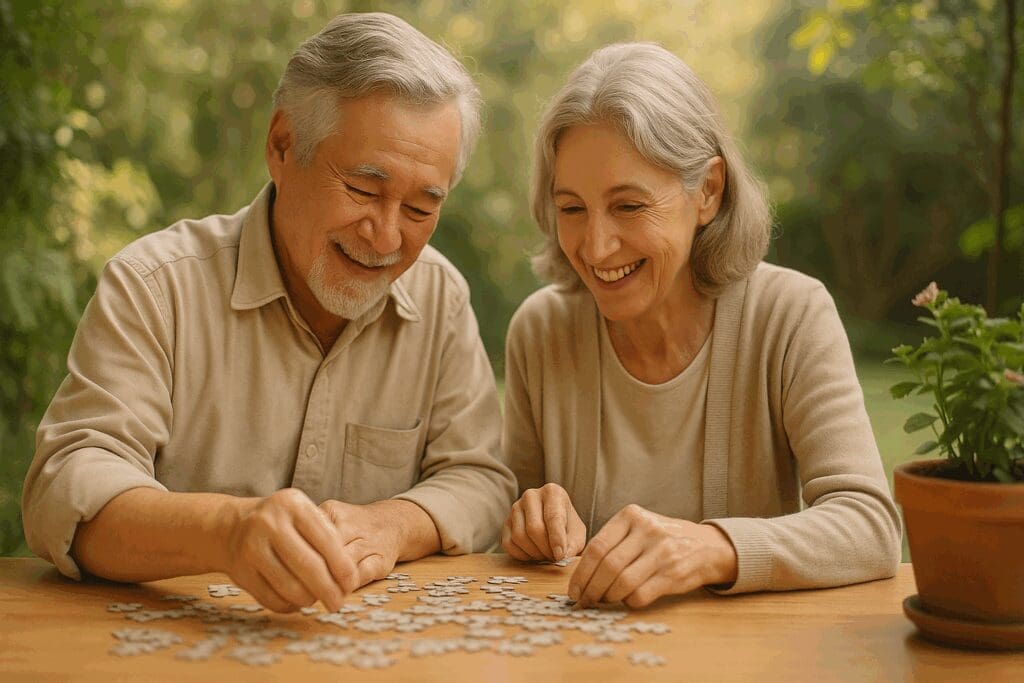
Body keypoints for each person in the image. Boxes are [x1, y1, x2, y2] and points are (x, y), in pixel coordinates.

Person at [22, 12, 515, 614]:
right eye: (362, 190)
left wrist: (393, 524)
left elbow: (482, 480)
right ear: (281, 147)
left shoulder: (442, 300)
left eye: (419, 207)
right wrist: (226, 532)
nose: (387, 237)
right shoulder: (155, 285)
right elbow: (64, 488)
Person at [501, 43, 902, 609]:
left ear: (708, 191)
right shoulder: (539, 331)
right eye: (572, 209)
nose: (595, 246)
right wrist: (527, 522)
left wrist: (710, 547)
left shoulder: (790, 314)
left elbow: (869, 528)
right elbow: (509, 520)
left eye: (629, 206)